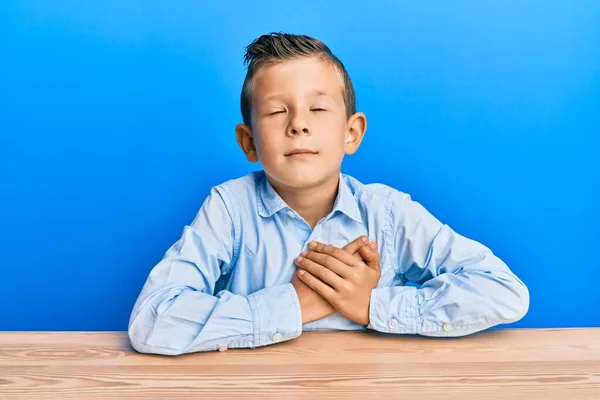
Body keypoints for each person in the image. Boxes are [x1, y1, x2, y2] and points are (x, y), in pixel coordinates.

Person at [128, 32, 529, 355]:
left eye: (318, 110)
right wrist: (297, 303)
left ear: (351, 132)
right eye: (276, 111)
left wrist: (372, 305)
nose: (298, 124)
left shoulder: (388, 213)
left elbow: (504, 291)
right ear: (249, 142)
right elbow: (151, 320)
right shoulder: (229, 209)